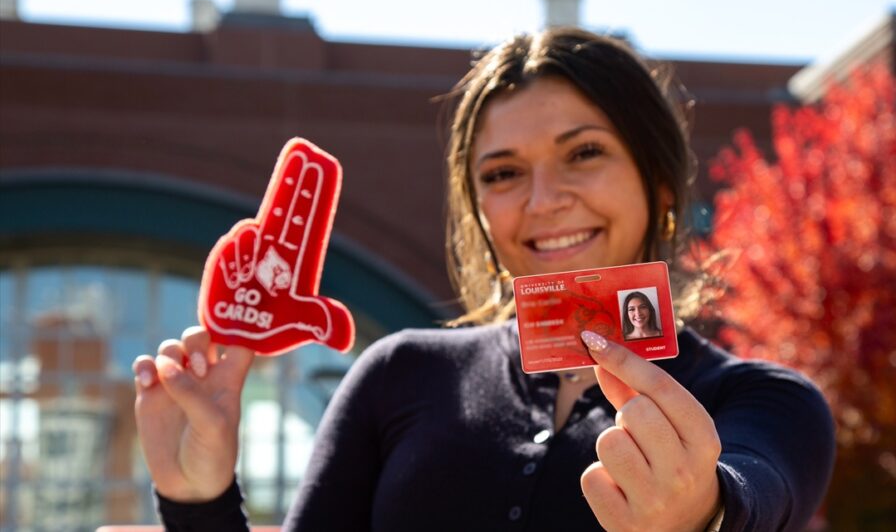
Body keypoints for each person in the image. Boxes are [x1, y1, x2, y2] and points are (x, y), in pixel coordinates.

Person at [132, 28, 836, 531]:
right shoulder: (398, 373)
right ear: (478, 209)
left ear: (659, 184)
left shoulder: (765, 402)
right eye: (502, 174)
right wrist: (198, 499)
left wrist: (704, 513)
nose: (541, 200)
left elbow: (755, 495)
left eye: (583, 153)